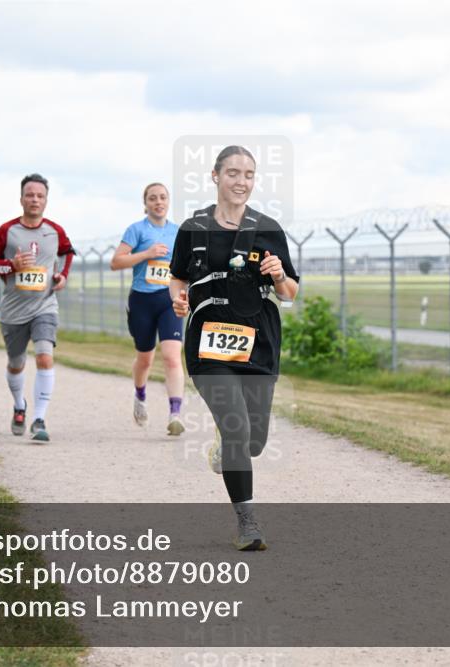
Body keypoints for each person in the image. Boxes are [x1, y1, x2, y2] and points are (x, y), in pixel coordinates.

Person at [169, 145, 299, 551]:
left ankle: (229, 446)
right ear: (215, 176)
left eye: (249, 174)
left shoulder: (268, 227)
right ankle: (248, 523)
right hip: (208, 340)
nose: (241, 181)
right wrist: (178, 297)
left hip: (258, 338)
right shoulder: (192, 228)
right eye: (233, 173)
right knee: (237, 426)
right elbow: (177, 278)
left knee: (253, 439)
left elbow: (291, 292)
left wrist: (279, 275)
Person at [0, 173, 74, 442]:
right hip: (13, 310)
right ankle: (19, 406)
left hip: (44, 305)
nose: (34, 199)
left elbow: (68, 252)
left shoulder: (55, 230)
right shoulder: (7, 230)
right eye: (30, 195)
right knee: (16, 363)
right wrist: (12, 266)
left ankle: (39, 418)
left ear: (46, 200)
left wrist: (62, 275)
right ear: (21, 198)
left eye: (40, 195)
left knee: (45, 355)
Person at [110, 183, 185, 435]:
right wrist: (147, 253)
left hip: (169, 299)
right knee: (145, 359)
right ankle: (140, 395)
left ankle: (175, 413)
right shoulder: (136, 230)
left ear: (168, 201)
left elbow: (186, 266)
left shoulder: (178, 232)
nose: (158, 202)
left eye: (163, 197)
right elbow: (116, 262)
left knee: (172, 356)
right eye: (153, 198)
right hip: (142, 300)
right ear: (146, 203)